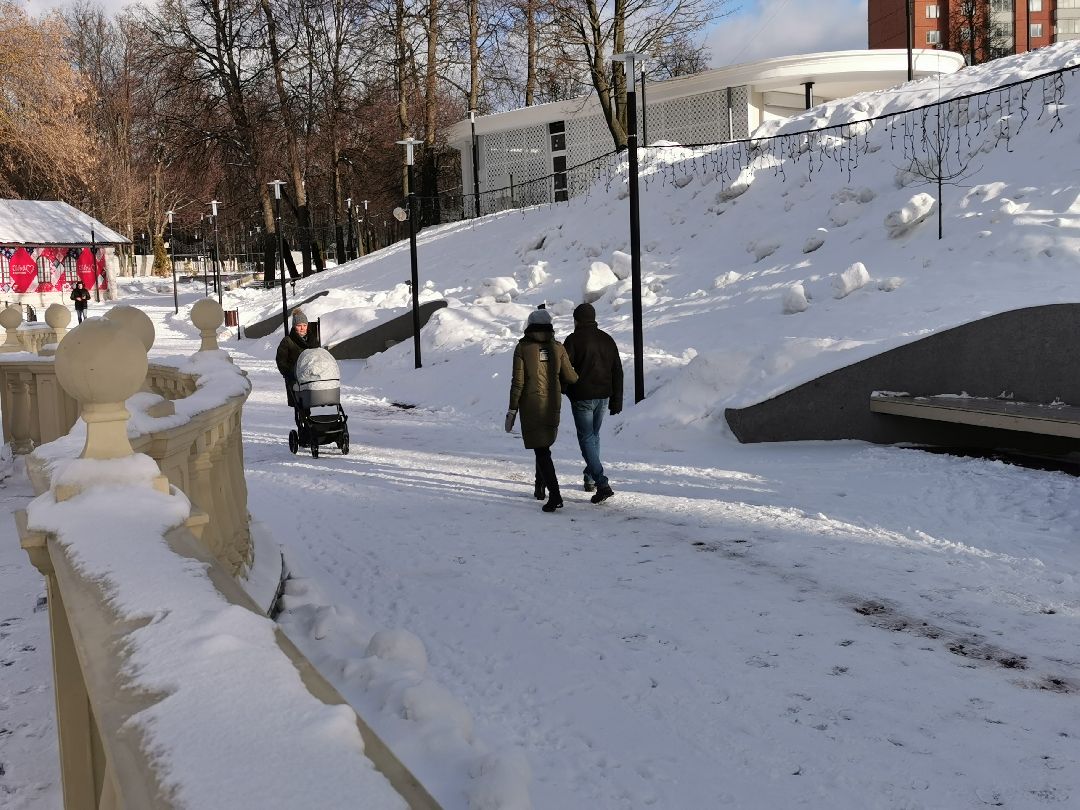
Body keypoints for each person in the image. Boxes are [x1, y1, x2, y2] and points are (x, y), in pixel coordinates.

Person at [506, 307, 578, 513]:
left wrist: (512, 409)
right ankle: (540, 487)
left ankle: (555, 495)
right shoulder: (558, 347)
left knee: (542, 449)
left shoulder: (522, 348)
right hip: (553, 402)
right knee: (543, 444)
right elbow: (571, 377)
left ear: (530, 326)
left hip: (531, 404)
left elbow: (518, 382)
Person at [563, 302, 623, 504]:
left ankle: (602, 483)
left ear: (577, 320)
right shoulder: (607, 339)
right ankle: (590, 478)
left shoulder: (573, 340)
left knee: (587, 438)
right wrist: (616, 400)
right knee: (594, 437)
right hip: (603, 396)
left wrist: (564, 389)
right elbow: (617, 371)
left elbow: (563, 368)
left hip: (582, 396)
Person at [276, 309, 313, 410]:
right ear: (294, 326)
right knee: (300, 406)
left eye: (304, 325)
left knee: (312, 401)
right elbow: (281, 361)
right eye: (299, 325)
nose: (302, 328)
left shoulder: (312, 340)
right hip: (294, 379)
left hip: (311, 378)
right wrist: (290, 372)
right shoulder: (287, 341)